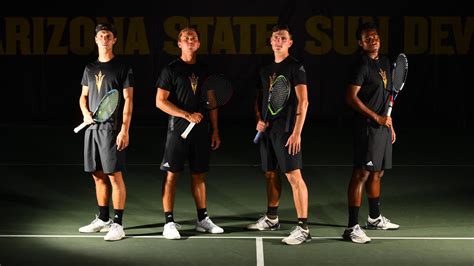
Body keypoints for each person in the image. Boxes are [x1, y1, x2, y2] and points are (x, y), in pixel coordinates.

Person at [155, 27, 224, 240]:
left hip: (202, 131)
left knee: (199, 174)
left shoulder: (206, 70)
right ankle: (169, 222)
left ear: (199, 44)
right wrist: (186, 115)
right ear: (179, 44)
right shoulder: (171, 70)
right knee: (172, 175)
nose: (190, 40)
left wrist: (215, 130)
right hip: (178, 131)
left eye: (193, 37)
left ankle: (202, 219)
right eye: (185, 38)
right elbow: (160, 102)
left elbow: (212, 103)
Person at [247, 24, 311, 245]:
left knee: (294, 177)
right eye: (275, 37)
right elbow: (262, 100)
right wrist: (259, 120)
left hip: (287, 130)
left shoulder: (296, 67)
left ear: (290, 43)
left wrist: (297, 132)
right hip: (268, 130)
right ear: (270, 41)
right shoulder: (265, 70)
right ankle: (272, 218)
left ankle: (303, 228)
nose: (278, 41)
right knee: (270, 174)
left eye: (283, 37)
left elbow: (304, 101)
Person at [342, 22, 400, 244]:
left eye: (375, 36)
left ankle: (374, 218)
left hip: (383, 126)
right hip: (367, 127)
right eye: (368, 38)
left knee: (378, 172)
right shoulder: (361, 65)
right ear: (361, 43)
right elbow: (351, 98)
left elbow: (388, 96)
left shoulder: (384, 62)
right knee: (361, 173)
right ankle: (351, 227)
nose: (373, 40)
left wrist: (389, 123)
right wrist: (376, 118)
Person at [77, 23, 134, 241]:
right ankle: (103, 219)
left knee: (113, 175)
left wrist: (124, 130)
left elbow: (128, 100)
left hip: (111, 129)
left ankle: (118, 224)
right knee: (97, 174)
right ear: (96, 40)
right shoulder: (89, 68)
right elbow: (83, 96)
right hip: (91, 128)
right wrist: (84, 112)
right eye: (100, 35)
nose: (104, 38)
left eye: (108, 35)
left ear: (114, 40)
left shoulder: (123, 68)